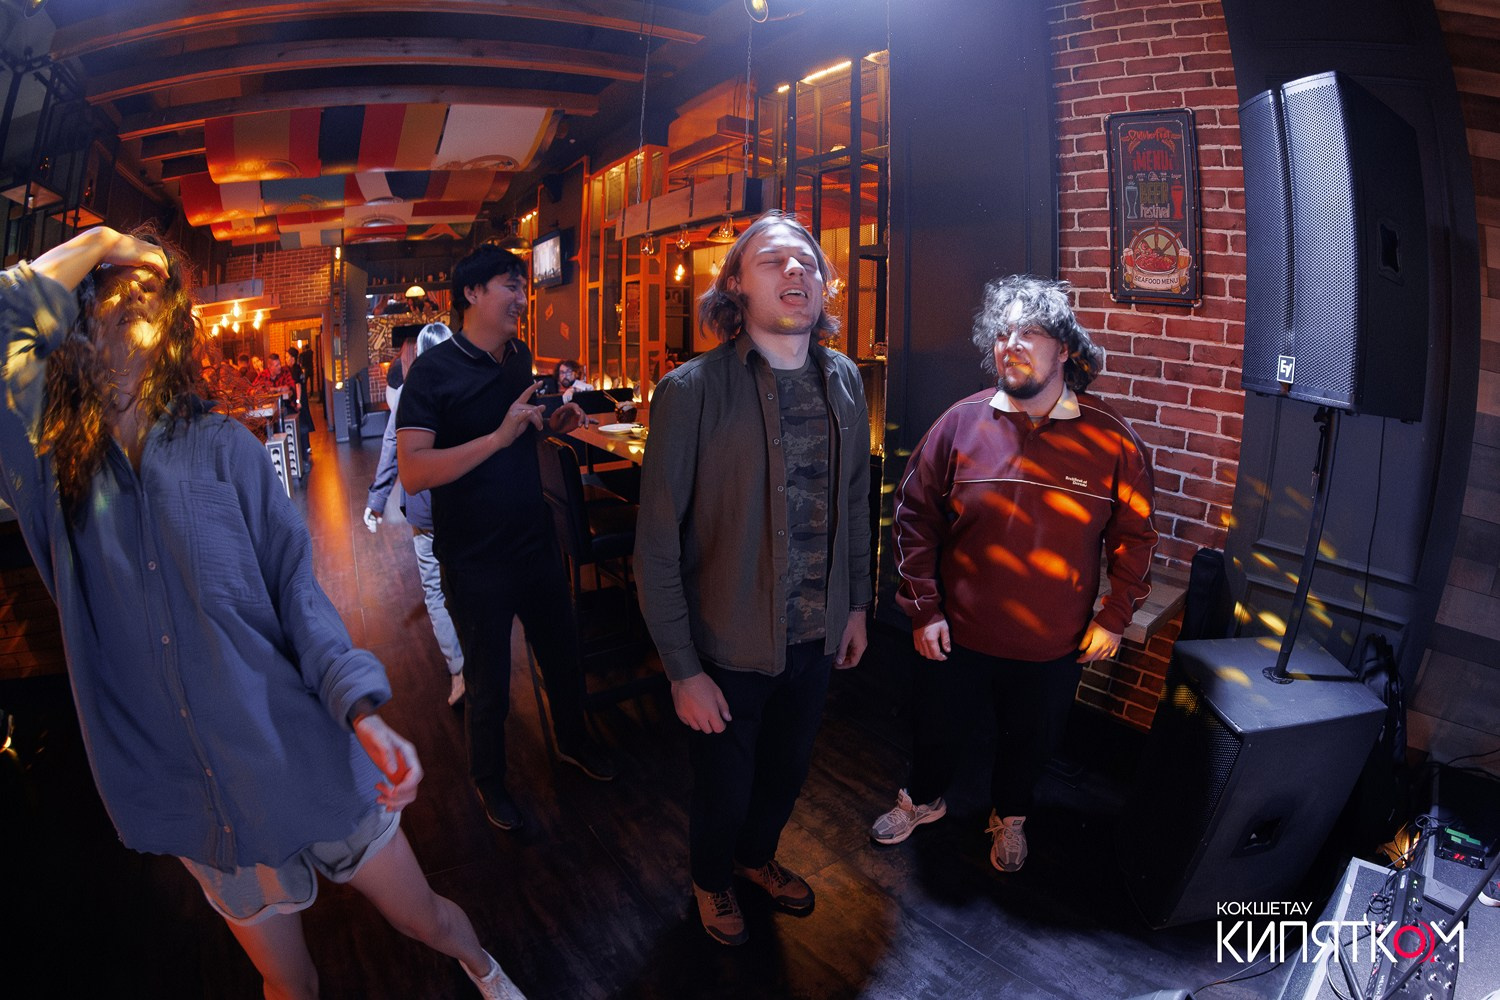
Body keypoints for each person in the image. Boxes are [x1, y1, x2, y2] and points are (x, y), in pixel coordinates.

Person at [0, 225, 524, 999]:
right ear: (76, 322)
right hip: (193, 792)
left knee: (425, 919)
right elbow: (6, 310)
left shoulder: (223, 448)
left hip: (296, 751)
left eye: (150, 291)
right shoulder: (49, 466)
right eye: (111, 289)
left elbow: (297, 598)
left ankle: (485, 969)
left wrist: (363, 714)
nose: (131, 302)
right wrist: (111, 240)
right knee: (287, 983)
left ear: (172, 328)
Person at [635, 211, 872, 946]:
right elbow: (656, 543)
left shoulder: (844, 377)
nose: (796, 270)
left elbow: (855, 501)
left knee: (787, 773)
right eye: (773, 260)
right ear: (735, 284)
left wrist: (856, 605)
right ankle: (712, 879)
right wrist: (683, 671)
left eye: (807, 261)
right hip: (727, 642)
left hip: (816, 634)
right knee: (724, 783)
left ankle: (754, 859)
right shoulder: (692, 391)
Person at [869, 275, 1156, 874]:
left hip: (1053, 642)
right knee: (937, 730)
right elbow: (913, 517)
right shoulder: (961, 421)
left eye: (1030, 332)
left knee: (1031, 742)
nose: (1012, 345)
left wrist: (1114, 617)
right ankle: (923, 801)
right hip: (955, 632)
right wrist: (923, 609)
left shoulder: (1112, 438)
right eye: (1002, 333)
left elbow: (1135, 536)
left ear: (1066, 349)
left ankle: (1011, 817)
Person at [396, 243, 618, 832]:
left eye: (523, 285)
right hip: (475, 557)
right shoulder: (433, 372)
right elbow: (414, 470)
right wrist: (497, 438)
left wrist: (549, 424)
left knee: (563, 657)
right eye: (510, 286)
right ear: (472, 293)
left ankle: (573, 742)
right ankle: (489, 780)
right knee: (489, 681)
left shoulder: (517, 357)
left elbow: (520, 434)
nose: (523, 297)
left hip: (534, 541)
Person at [366, 322, 467, 707]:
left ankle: (459, 670)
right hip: (463, 505)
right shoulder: (467, 388)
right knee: (466, 582)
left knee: (436, 590)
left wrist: (376, 501)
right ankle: (478, 662)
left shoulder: (411, 393)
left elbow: (391, 447)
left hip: (427, 510)